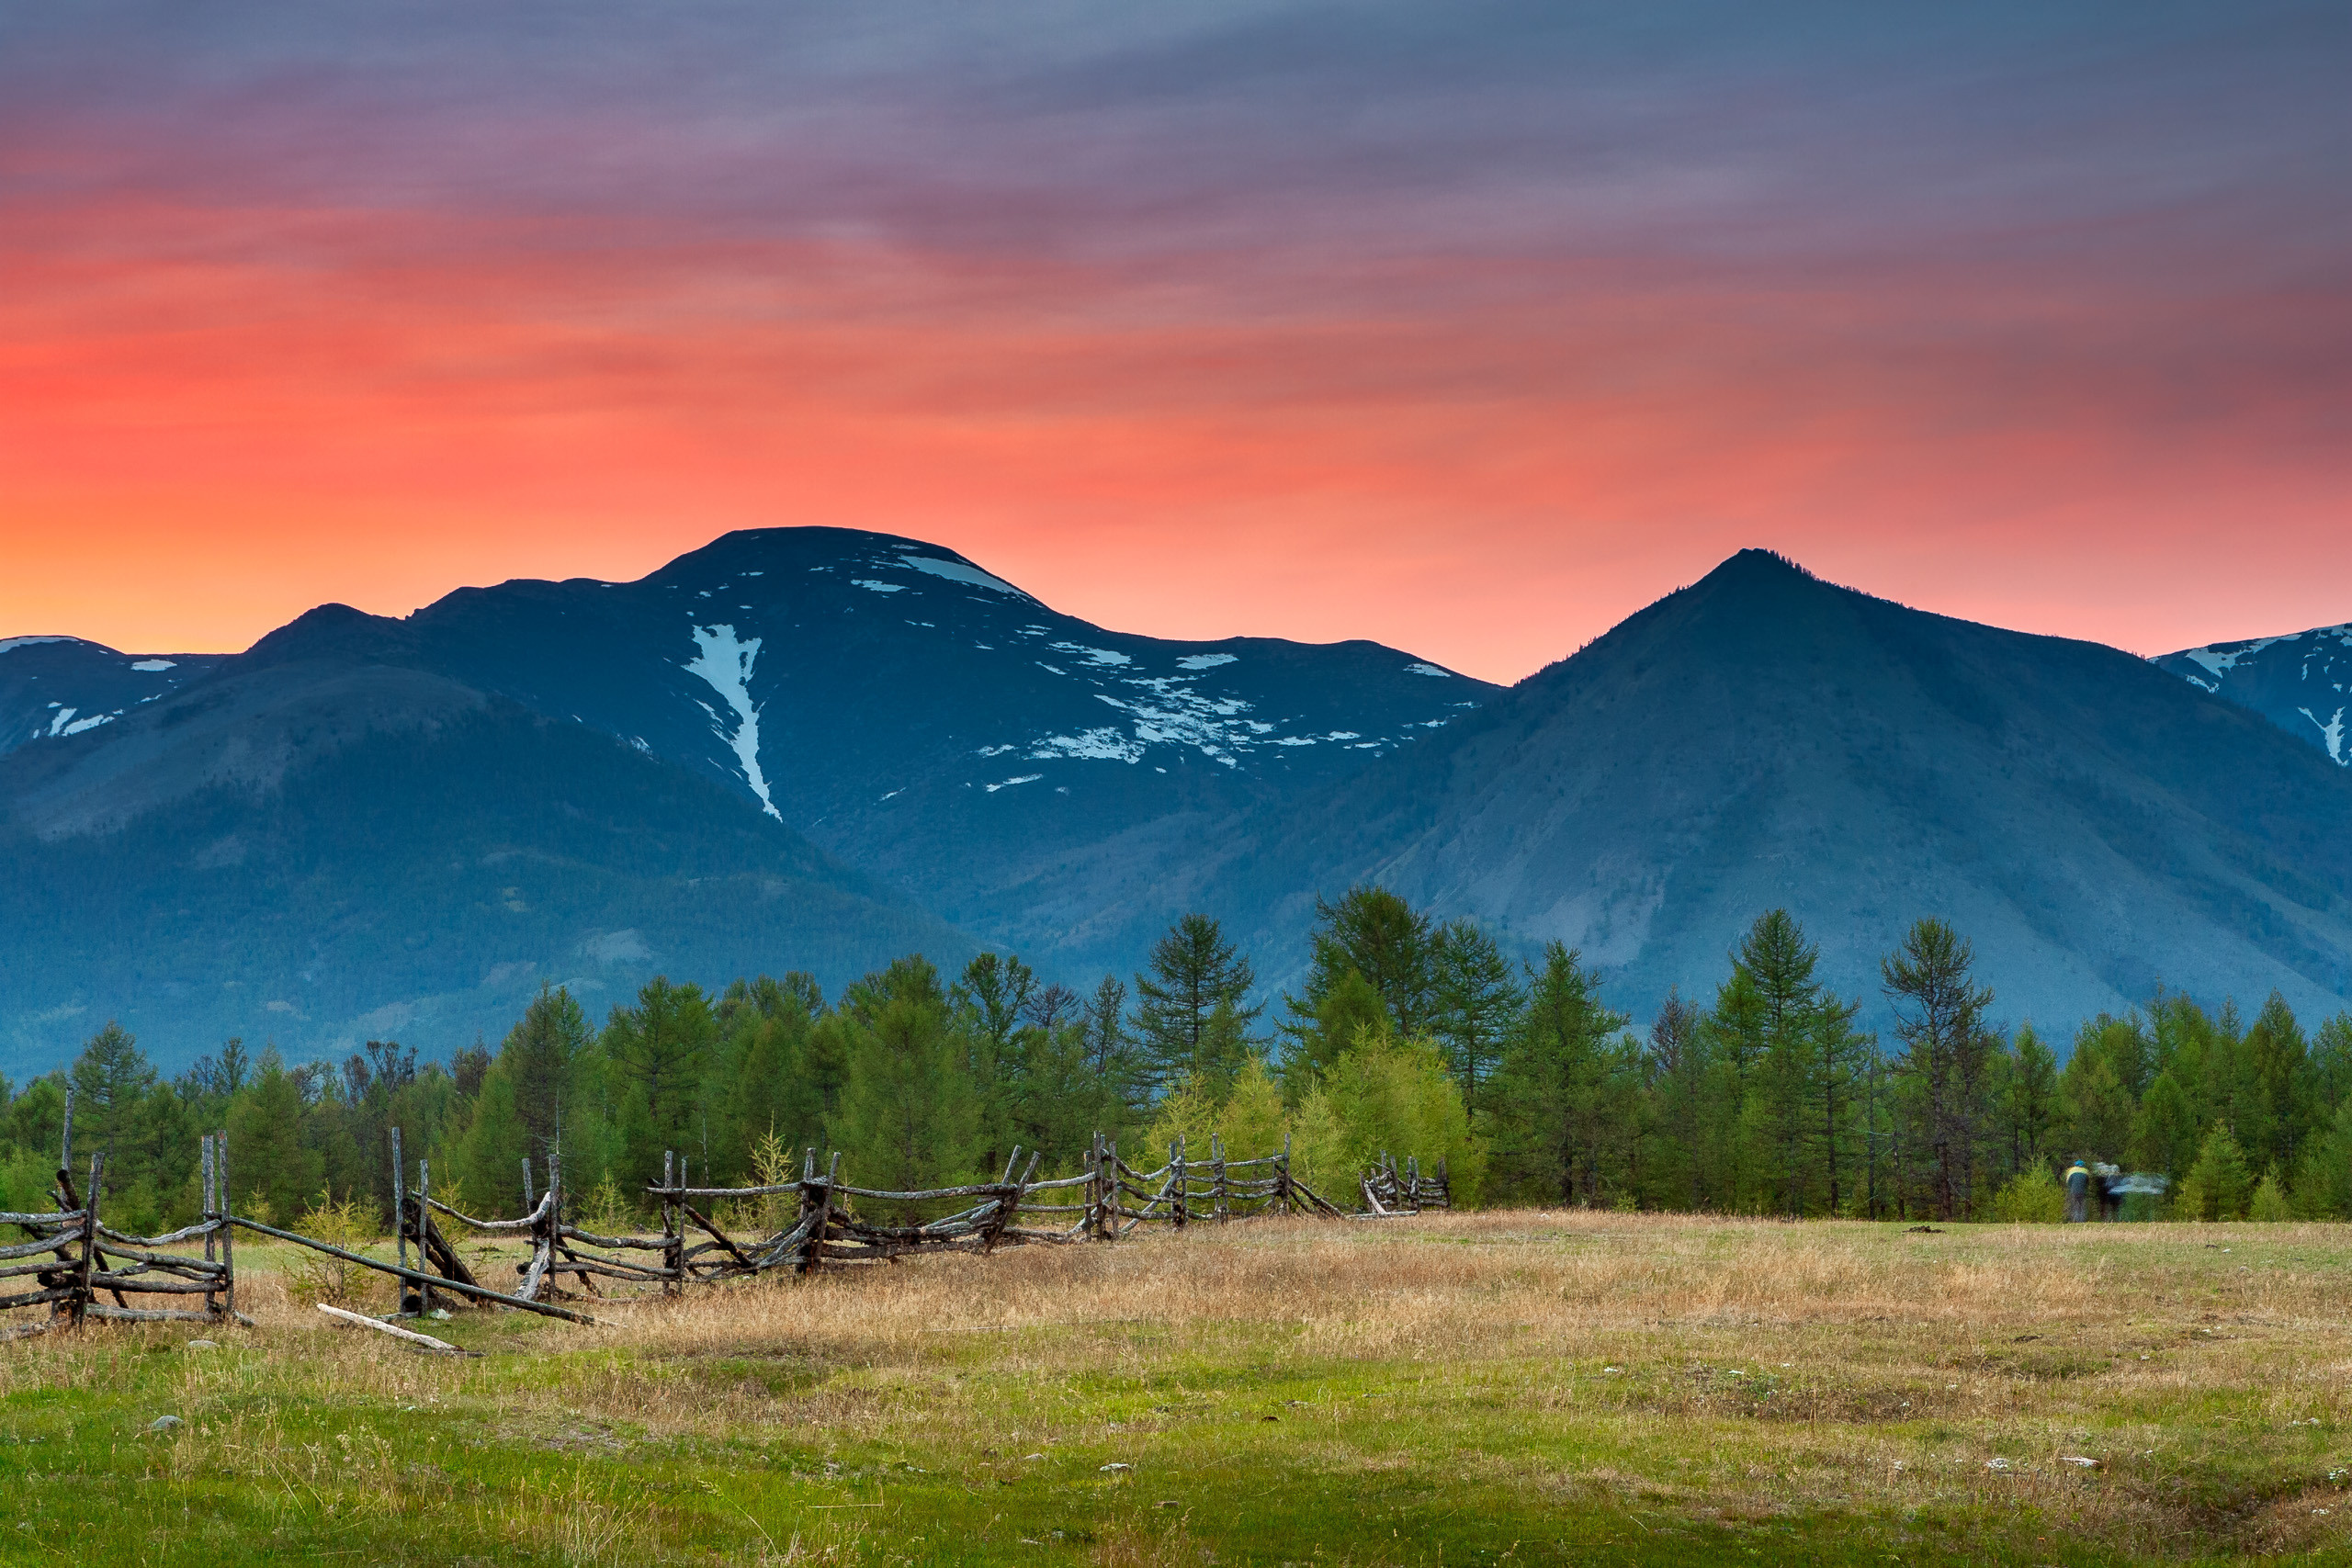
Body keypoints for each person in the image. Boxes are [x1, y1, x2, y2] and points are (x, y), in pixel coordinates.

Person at [2064, 1157, 2091, 1223]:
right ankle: (2082, 1220)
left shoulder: (2071, 1171)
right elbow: (2087, 1182)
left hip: (2074, 1191)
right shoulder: (2086, 1171)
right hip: (2082, 1191)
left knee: (2074, 1205)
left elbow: (2068, 1182)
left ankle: (2075, 1220)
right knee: (2082, 1205)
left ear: (2075, 1165)